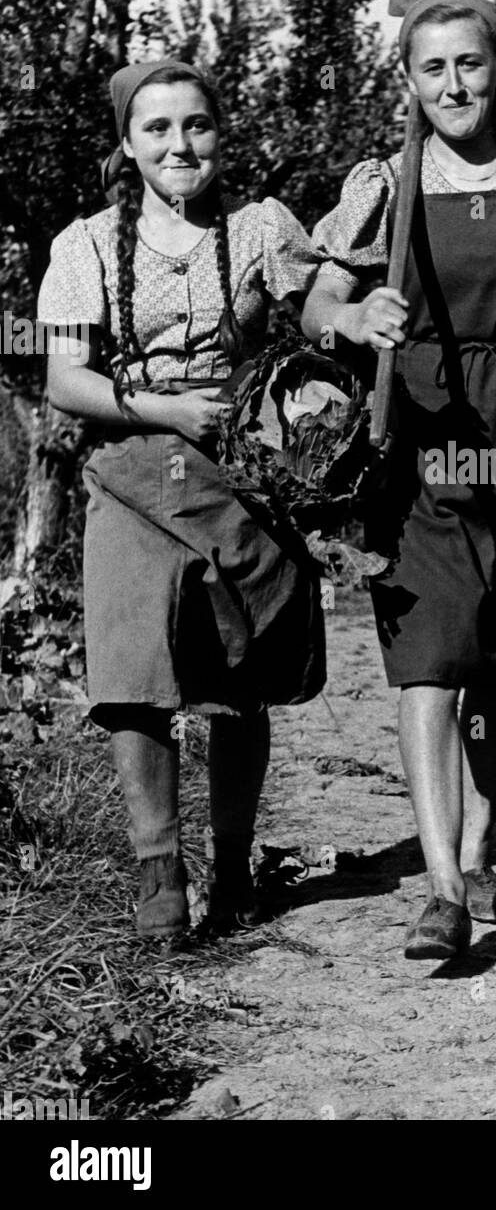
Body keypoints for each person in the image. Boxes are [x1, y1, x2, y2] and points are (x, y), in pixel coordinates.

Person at [304, 0, 496, 959]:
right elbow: (318, 300)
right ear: (406, 81)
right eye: (431, 68)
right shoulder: (384, 184)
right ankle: (438, 887)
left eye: (469, 63)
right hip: (420, 435)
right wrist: (356, 322)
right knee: (430, 657)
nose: (453, 84)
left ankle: (481, 847)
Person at [36, 60, 327, 940]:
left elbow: (321, 313)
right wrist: (166, 408)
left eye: (195, 125)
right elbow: (64, 381)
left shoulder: (260, 229)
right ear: (128, 144)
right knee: (136, 676)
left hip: (238, 471)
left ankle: (234, 870)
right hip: (128, 469)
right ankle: (159, 873)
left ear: (219, 134)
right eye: (157, 129)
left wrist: (343, 327)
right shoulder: (84, 246)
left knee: (240, 677)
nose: (178, 145)